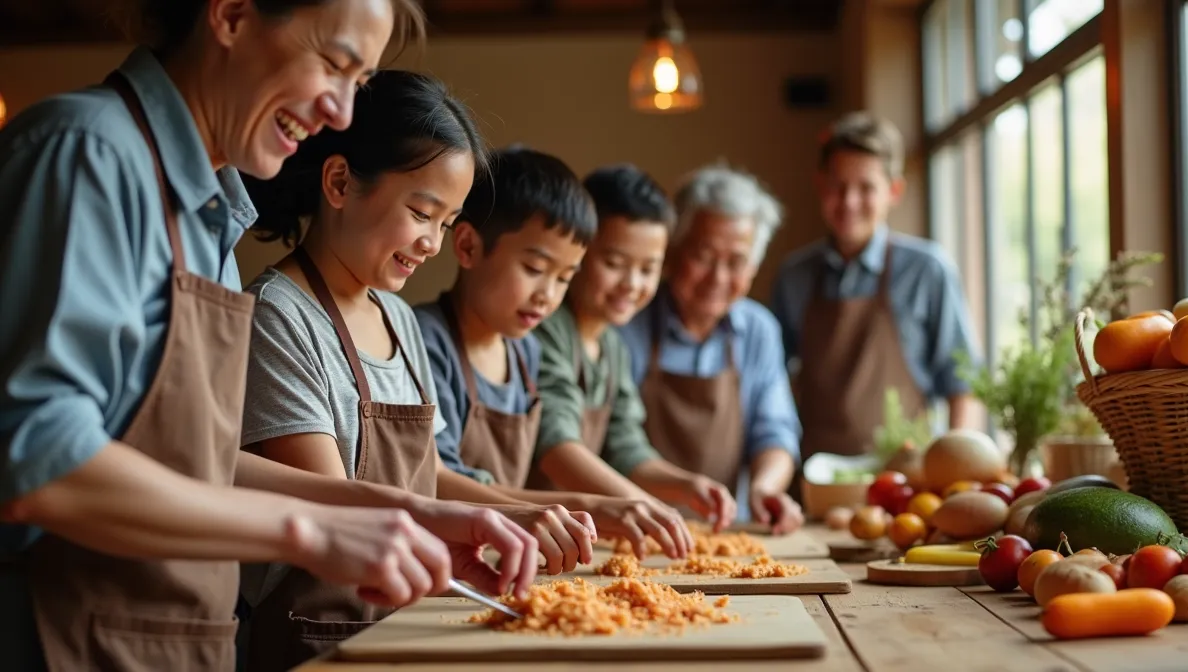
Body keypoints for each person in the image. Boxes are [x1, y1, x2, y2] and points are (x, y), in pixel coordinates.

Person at [0, 2, 523, 669]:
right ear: (232, 14)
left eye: (357, 84)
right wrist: (309, 531)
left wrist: (403, 511)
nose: (340, 113)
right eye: (333, 64)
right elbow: (39, 455)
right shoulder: (87, 153)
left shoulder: (214, 211)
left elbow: (198, 460)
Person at [234, 70, 596, 672]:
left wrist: (506, 516)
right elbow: (334, 503)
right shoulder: (277, 315)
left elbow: (428, 477)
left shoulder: (399, 318)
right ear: (341, 181)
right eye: (422, 212)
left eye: (447, 223)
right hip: (319, 637)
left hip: (409, 619)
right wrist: (494, 516)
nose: (433, 243)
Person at [413, 147, 695, 558]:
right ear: (469, 247)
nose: (547, 296)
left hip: (513, 556)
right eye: (533, 269)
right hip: (441, 566)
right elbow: (436, 479)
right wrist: (584, 507)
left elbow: (624, 442)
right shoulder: (426, 341)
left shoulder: (524, 352)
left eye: (564, 278)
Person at [530, 164, 737, 531]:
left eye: (647, 269)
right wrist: (643, 503)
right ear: (577, 251)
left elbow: (627, 447)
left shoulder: (612, 346)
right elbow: (555, 443)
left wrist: (686, 485)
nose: (631, 284)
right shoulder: (545, 328)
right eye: (614, 263)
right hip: (533, 529)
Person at [769, 112, 980, 472]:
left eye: (866, 188)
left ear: (893, 191)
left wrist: (954, 474)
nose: (849, 202)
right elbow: (768, 384)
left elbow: (964, 385)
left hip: (908, 482)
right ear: (820, 186)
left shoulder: (928, 270)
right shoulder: (793, 276)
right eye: (837, 186)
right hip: (816, 482)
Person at [617, 163, 805, 535]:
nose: (718, 279)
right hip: (631, 531)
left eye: (736, 262)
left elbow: (775, 430)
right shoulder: (629, 322)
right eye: (703, 256)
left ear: (753, 265)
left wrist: (765, 488)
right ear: (673, 250)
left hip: (724, 533)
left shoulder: (759, 330)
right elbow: (616, 440)